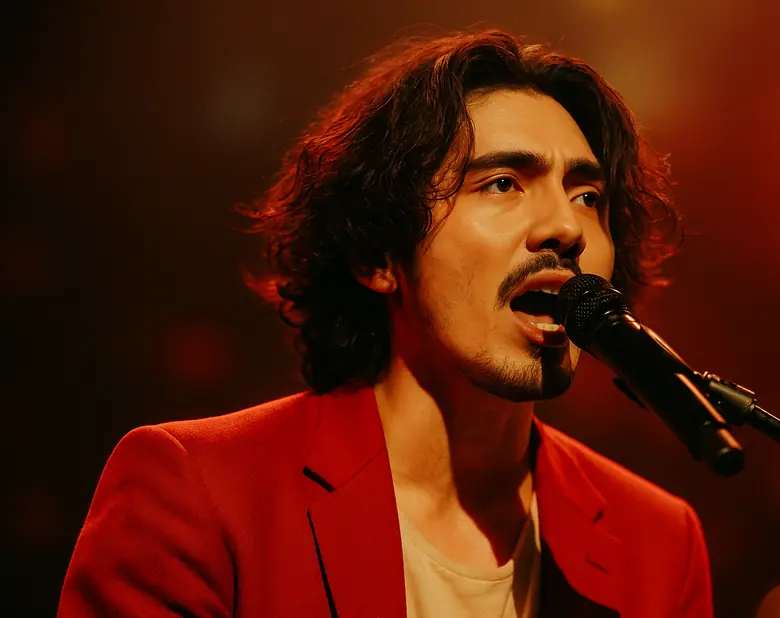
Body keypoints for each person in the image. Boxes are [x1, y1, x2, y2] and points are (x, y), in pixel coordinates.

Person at [57, 30, 713, 617]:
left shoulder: (658, 541)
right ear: (377, 255)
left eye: (587, 196)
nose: (565, 228)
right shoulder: (200, 490)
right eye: (503, 184)